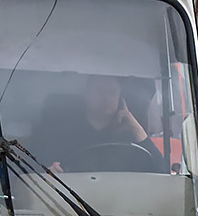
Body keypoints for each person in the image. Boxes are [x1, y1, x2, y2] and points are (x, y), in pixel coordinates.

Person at [31, 74, 162, 173]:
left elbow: (161, 173)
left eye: (112, 92)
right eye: (99, 91)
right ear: (86, 94)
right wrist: (48, 172)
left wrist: (136, 128)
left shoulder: (129, 138)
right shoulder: (59, 133)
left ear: (120, 99)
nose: (106, 97)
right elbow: (29, 170)